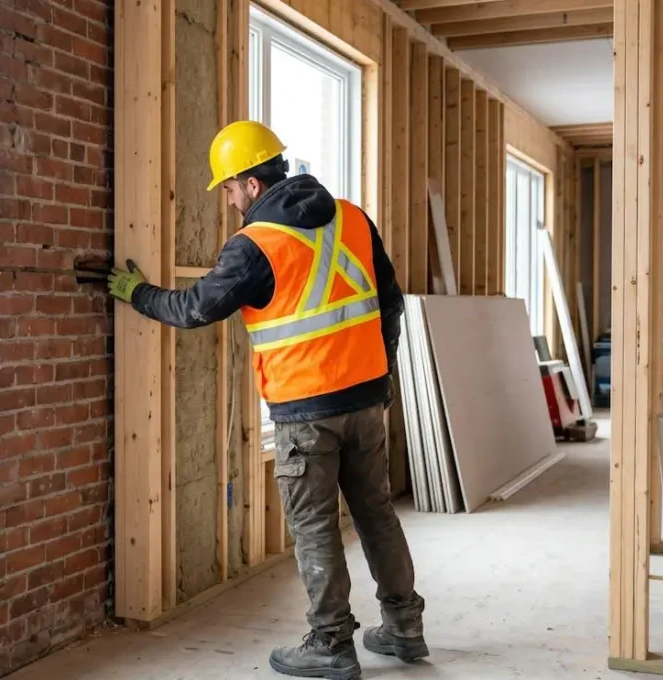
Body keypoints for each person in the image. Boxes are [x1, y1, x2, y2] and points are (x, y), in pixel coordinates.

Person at [107, 120, 426, 680]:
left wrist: (137, 293)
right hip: (367, 402)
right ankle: (404, 629)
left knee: (314, 525)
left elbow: (194, 310)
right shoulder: (351, 217)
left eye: (229, 188)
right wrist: (381, 377)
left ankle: (331, 643)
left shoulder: (256, 246)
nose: (229, 199)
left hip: (307, 412)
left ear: (252, 184)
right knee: (376, 513)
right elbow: (392, 303)